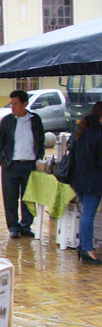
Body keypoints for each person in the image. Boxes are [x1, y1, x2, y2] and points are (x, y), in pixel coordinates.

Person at [0, 90, 45, 239]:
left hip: (30, 165)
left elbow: (41, 141)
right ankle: (13, 227)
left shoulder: (35, 120)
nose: (13, 107)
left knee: (28, 197)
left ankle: (26, 226)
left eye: (16, 104)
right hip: (11, 165)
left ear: (25, 104)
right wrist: (2, 161)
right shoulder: (6, 121)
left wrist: (39, 158)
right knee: (10, 197)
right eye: (11, 104)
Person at [69, 101, 102, 265]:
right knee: (88, 215)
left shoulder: (82, 129)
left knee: (86, 214)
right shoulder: (98, 133)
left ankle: (83, 246)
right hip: (93, 181)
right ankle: (87, 249)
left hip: (78, 180)